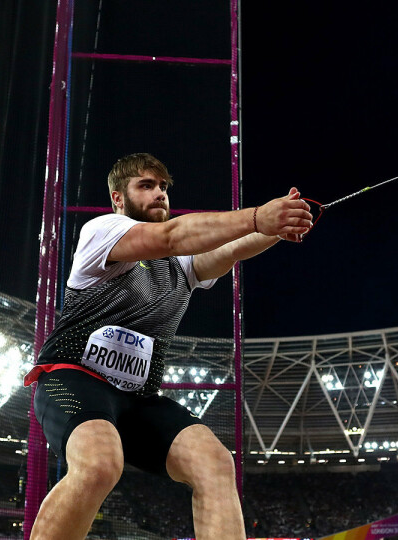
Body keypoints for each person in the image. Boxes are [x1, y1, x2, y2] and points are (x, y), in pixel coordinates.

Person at [22, 153, 313, 540]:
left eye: (162, 187)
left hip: (138, 399)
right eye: (146, 186)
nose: (159, 194)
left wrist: (279, 226)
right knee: (99, 465)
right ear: (118, 198)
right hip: (71, 380)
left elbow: (231, 248)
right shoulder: (103, 231)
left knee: (215, 463)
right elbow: (170, 235)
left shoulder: (183, 263)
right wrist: (260, 215)